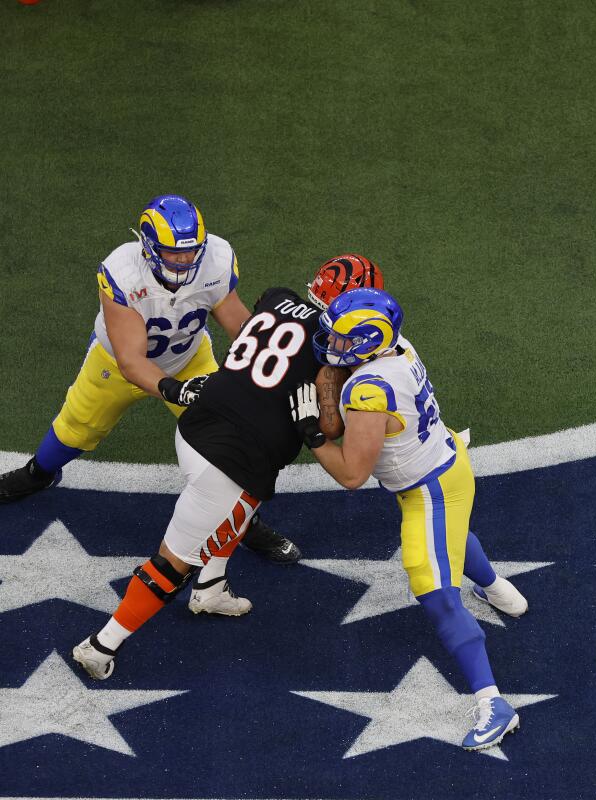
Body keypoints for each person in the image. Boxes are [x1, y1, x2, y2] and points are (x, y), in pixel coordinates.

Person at [70, 255, 386, 679]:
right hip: (230, 459)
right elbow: (331, 422)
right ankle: (101, 644)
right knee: (173, 562)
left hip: (196, 426)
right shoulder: (334, 352)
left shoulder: (277, 299)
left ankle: (212, 586)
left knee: (241, 506)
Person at [0, 195, 299, 564]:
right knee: (76, 428)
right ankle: (39, 472)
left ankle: (245, 522)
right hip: (117, 361)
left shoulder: (217, 261)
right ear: (148, 248)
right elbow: (131, 360)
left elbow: (236, 320)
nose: (185, 260)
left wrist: (267, 356)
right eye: (174, 253)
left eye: (191, 252)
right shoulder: (122, 273)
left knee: (229, 439)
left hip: (189, 356)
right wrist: (176, 390)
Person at [296, 287, 526, 752]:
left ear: (367, 342)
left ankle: (494, 704)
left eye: (343, 340)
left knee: (436, 594)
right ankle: (501, 590)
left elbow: (352, 474)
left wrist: (313, 436)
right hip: (447, 463)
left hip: (429, 493)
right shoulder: (400, 347)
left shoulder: (367, 389)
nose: (332, 345)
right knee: (453, 538)